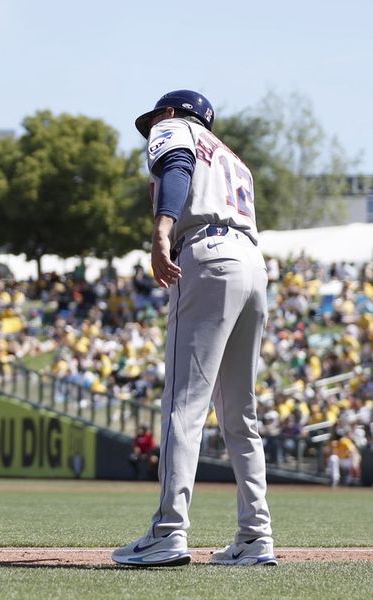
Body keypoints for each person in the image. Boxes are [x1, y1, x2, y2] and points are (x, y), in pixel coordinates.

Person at [112, 91, 276, 567]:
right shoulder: (234, 159)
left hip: (207, 256)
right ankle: (255, 536)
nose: (152, 129)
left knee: (183, 404)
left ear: (170, 112)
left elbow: (178, 166)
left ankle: (168, 532)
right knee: (239, 415)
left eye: (155, 120)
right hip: (252, 263)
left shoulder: (175, 128)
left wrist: (161, 231)